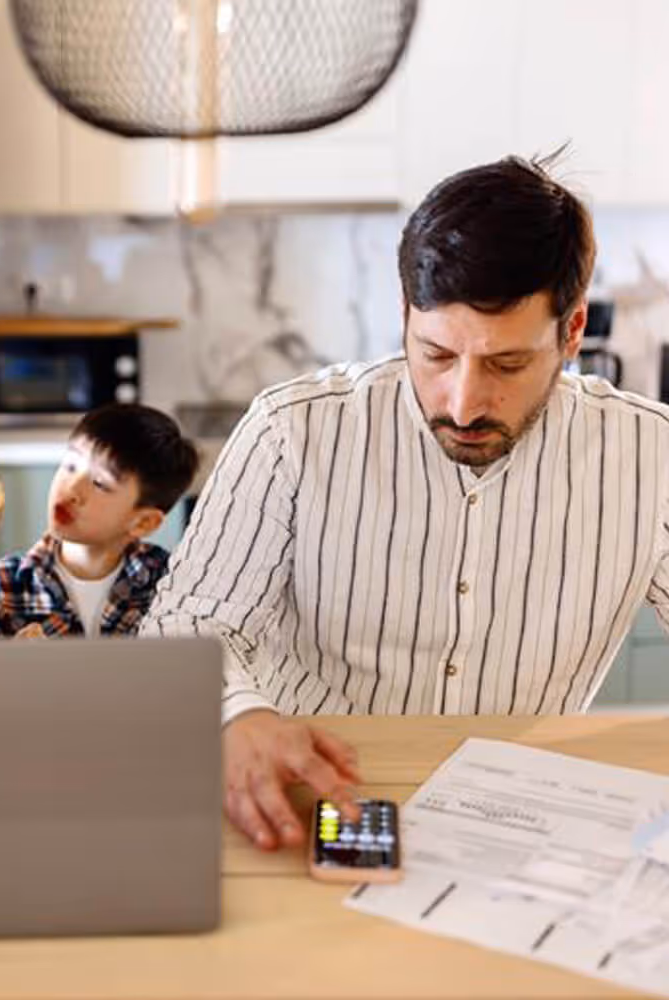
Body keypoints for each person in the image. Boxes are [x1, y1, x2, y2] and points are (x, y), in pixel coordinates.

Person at [143, 152, 669, 851]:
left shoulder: (650, 455)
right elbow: (184, 626)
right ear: (404, 316)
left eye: (506, 364)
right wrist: (237, 716)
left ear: (572, 333)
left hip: (519, 822)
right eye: (437, 354)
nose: (463, 402)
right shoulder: (292, 431)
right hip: (309, 804)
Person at [0, 404, 198, 638]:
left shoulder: (169, 586)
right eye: (71, 466)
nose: (72, 488)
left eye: (99, 483)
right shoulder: (6, 583)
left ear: (143, 523)